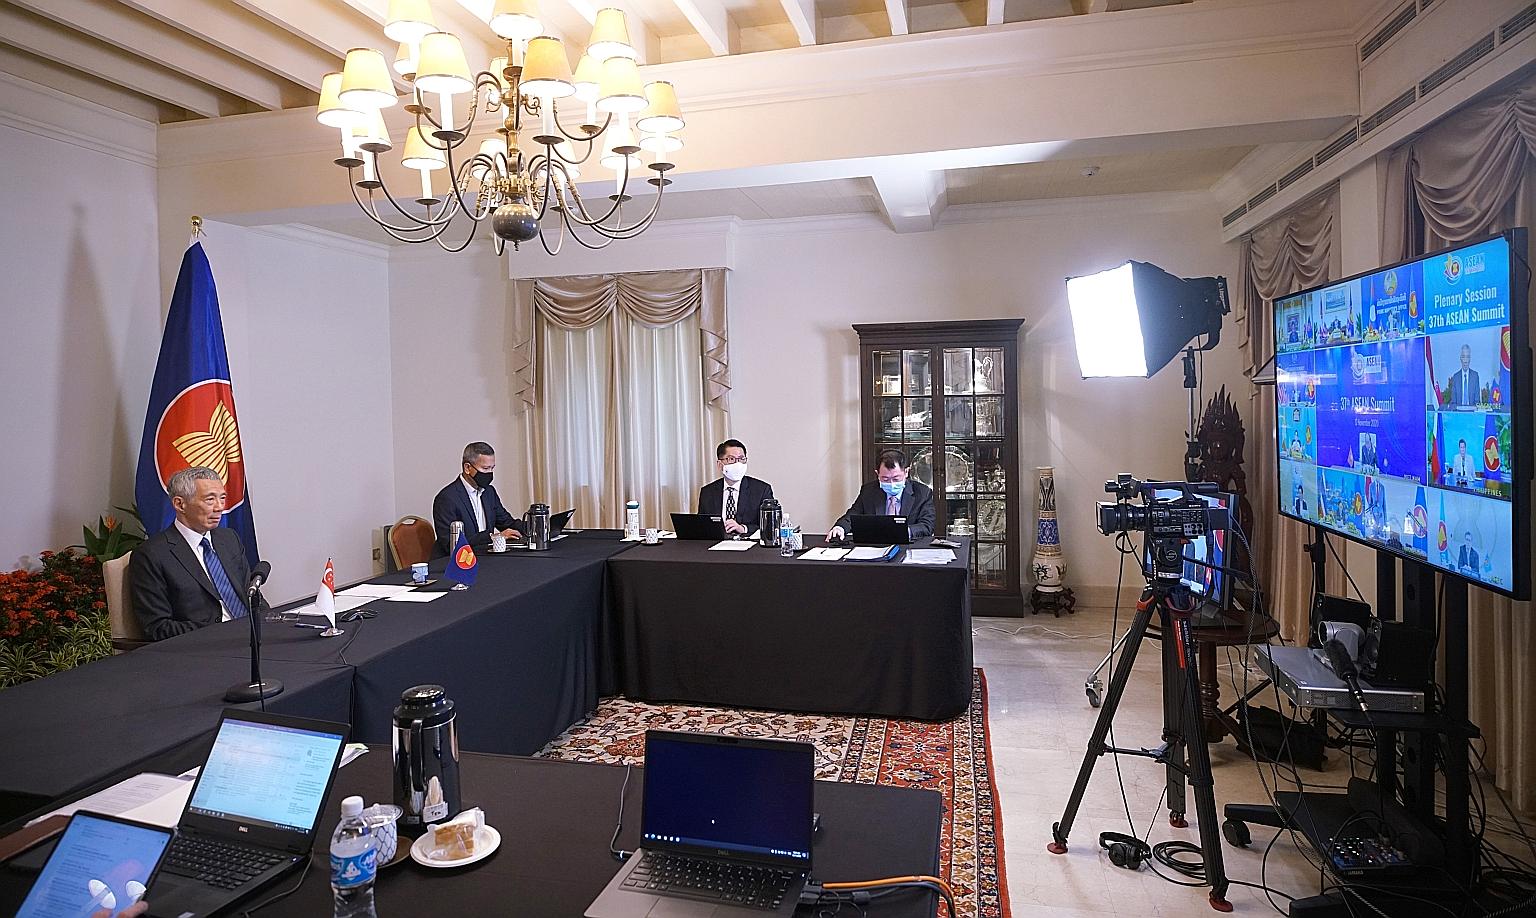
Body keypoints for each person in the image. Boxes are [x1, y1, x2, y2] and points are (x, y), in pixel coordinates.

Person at [129, 467, 267, 642]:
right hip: (206, 645)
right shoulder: (151, 555)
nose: (220, 507)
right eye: (210, 500)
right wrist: (222, 630)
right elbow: (158, 628)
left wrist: (271, 622)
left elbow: (251, 596)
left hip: (252, 637)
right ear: (180, 504)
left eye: (222, 498)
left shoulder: (229, 539)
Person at [433, 442, 524, 556]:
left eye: (492, 468)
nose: (490, 473)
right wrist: (493, 537)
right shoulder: (447, 498)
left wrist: (535, 526)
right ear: (467, 468)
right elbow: (451, 543)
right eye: (485, 468)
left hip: (485, 557)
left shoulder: (489, 492)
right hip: (454, 561)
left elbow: (506, 523)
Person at [827, 449, 935, 542]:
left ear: (906, 472)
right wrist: (840, 528)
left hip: (909, 545)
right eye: (885, 479)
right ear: (877, 474)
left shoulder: (923, 493)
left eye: (896, 479)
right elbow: (852, 515)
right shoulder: (869, 491)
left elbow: (927, 525)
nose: (891, 484)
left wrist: (903, 531)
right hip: (876, 546)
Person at [695, 439, 774, 536]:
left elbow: (770, 525)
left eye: (741, 459)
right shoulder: (707, 492)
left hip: (747, 543)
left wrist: (743, 528)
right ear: (720, 464)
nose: (738, 464)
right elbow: (702, 525)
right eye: (731, 459)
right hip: (717, 542)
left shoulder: (761, 490)